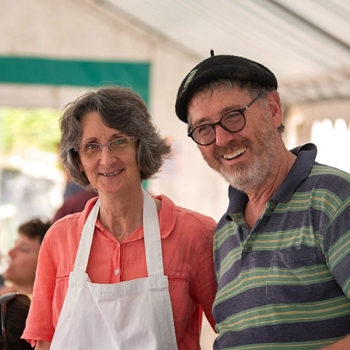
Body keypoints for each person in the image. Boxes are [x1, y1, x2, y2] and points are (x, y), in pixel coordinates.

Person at [174, 51, 350, 349]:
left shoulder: (333, 199)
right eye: (204, 129)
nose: (221, 139)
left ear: (273, 109)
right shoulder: (225, 233)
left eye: (233, 117)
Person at [23, 86, 217, 350]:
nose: (106, 159)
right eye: (91, 146)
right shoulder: (59, 239)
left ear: (141, 146)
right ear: (78, 160)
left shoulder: (196, 233)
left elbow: (235, 331)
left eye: (119, 141)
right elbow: (44, 342)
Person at [0, 219, 51, 297]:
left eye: (23, 249)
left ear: (45, 263)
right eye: (14, 245)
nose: (10, 253)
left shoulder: (37, 306)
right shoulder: (7, 300)